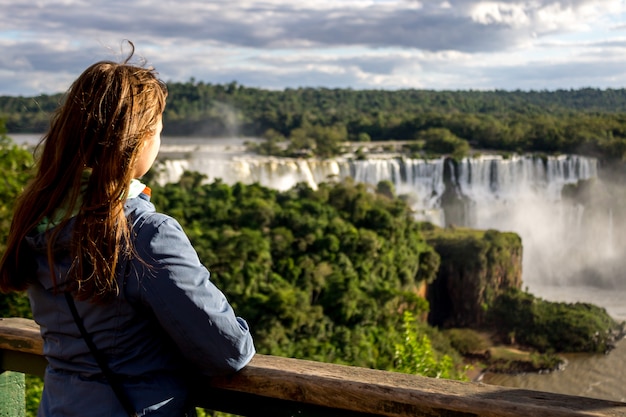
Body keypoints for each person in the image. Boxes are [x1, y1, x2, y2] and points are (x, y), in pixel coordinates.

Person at [0, 42, 255, 417]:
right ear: (136, 140)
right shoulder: (146, 233)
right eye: (158, 132)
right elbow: (230, 351)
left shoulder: (38, 221)